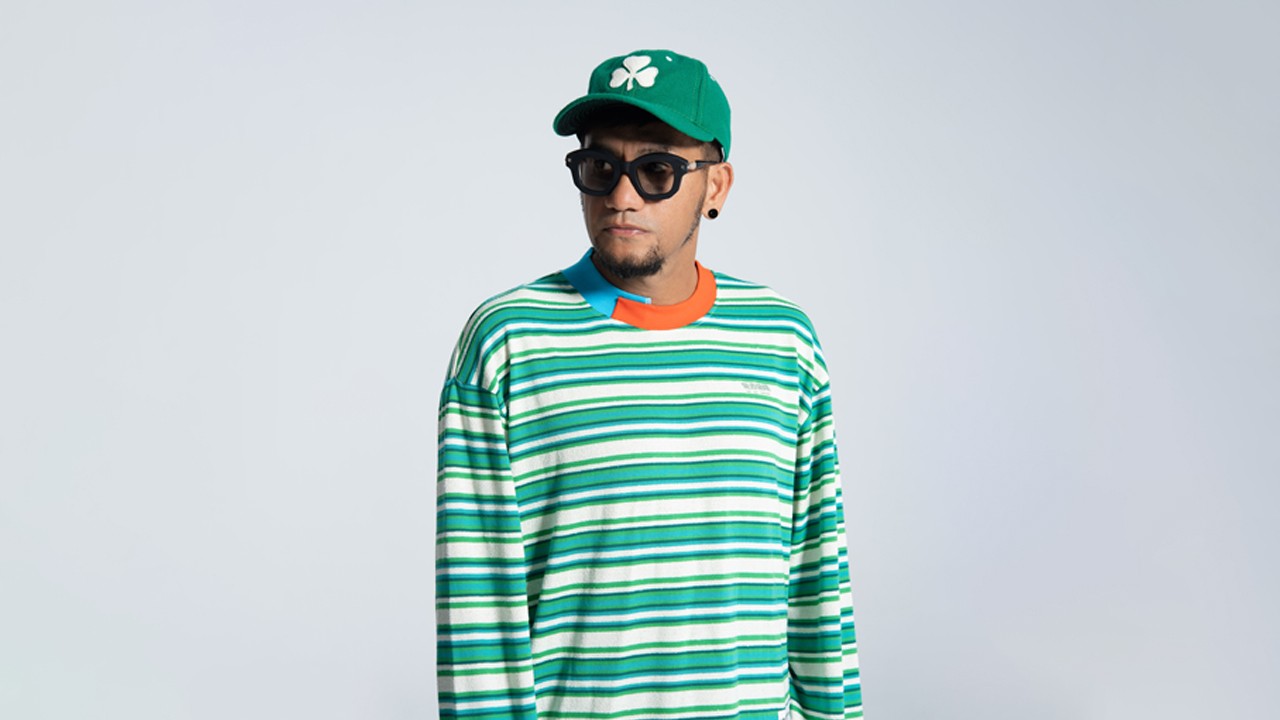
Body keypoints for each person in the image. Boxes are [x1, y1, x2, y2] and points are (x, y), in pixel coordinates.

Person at [436, 49, 864, 719]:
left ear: (715, 187)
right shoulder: (508, 343)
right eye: (599, 168)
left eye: (657, 170)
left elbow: (818, 583)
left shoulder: (783, 341)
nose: (622, 196)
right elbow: (478, 613)